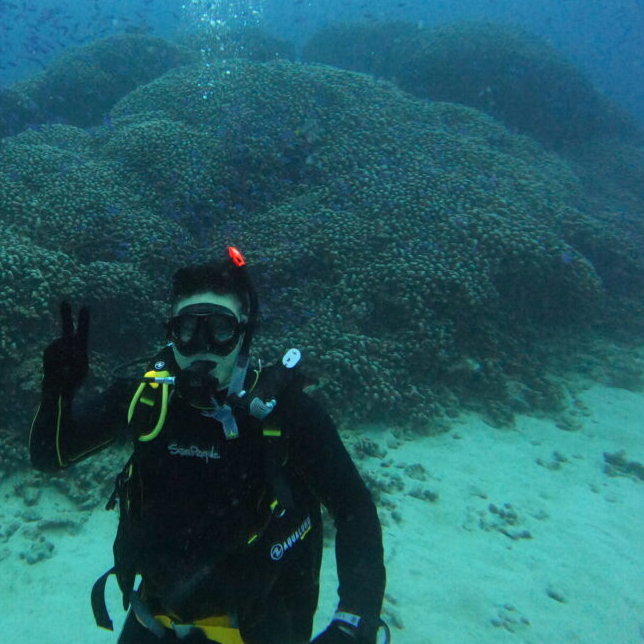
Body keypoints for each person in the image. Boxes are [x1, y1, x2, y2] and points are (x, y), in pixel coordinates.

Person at [30, 247, 387, 644]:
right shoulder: (146, 400)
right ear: (171, 334)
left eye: (219, 329)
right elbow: (51, 455)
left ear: (244, 333)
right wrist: (57, 393)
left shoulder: (282, 412)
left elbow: (353, 509)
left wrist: (354, 622)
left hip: (255, 625)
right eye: (187, 329)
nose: (201, 345)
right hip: (155, 618)